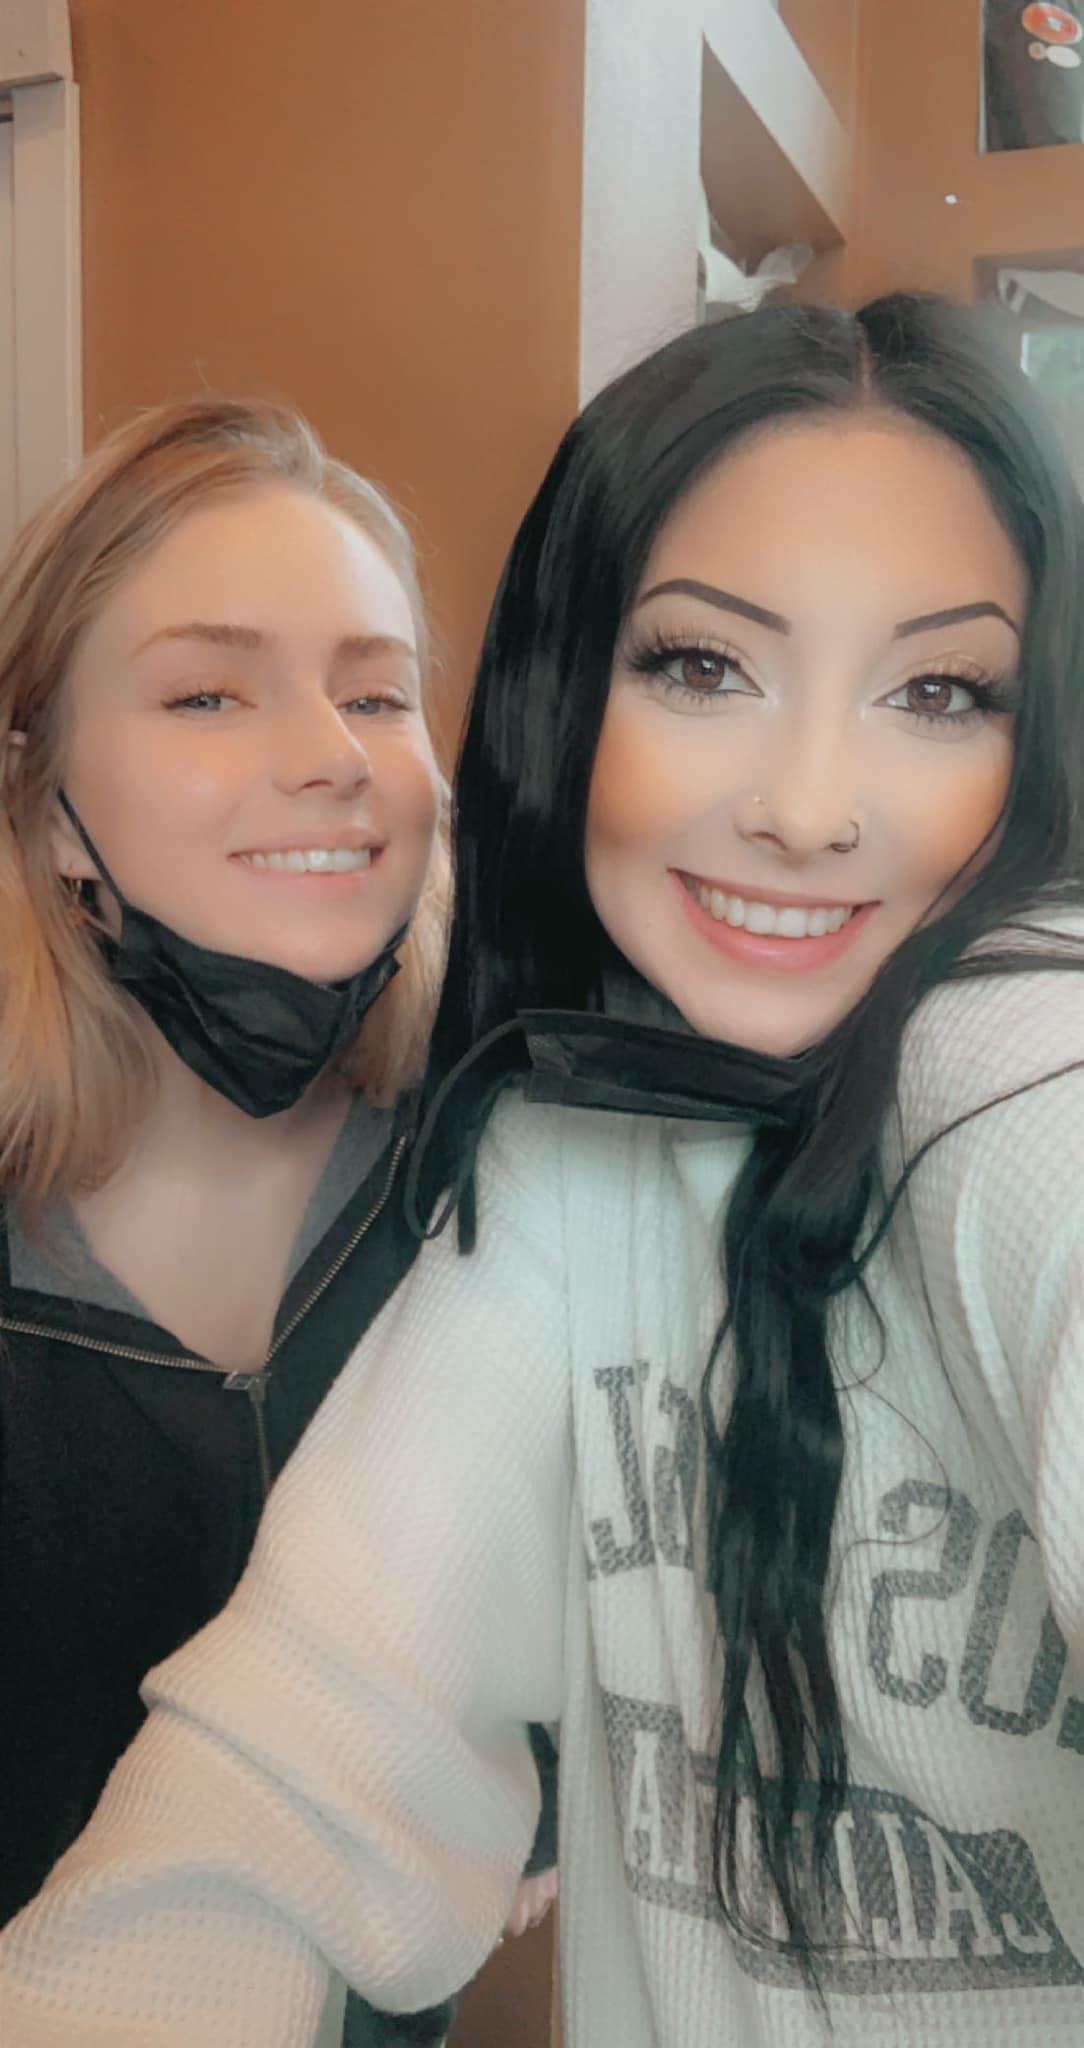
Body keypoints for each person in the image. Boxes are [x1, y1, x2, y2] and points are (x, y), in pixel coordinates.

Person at [3, 293, 1084, 2046]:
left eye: (940, 690)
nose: (808, 806)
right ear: (564, 699)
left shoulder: (1025, 1077)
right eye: (704, 665)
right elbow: (301, 1751)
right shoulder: (557, 1158)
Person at [0, 398, 552, 2048]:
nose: (334, 754)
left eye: (376, 692)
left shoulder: (508, 1186)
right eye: (209, 692)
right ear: (44, 802)